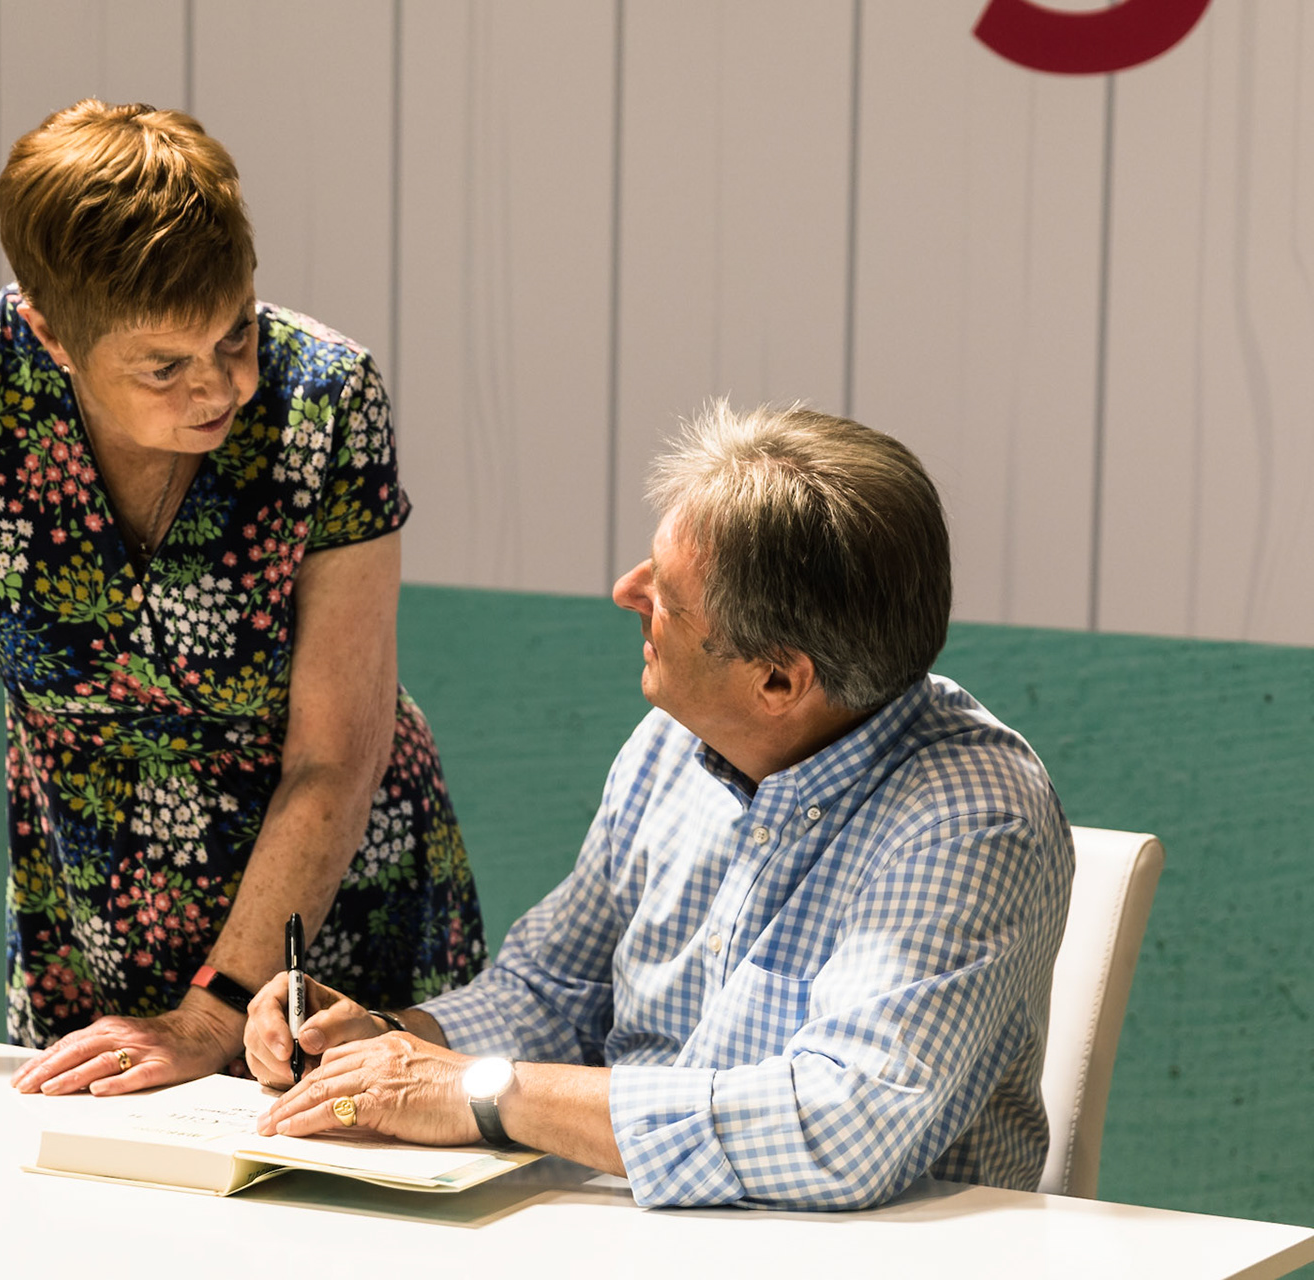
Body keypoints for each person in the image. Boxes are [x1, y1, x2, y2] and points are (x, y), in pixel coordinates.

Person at [0, 100, 485, 1093]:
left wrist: (213, 1013)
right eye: (165, 365)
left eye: (236, 335)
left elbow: (335, 752)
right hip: (94, 919)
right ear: (51, 333)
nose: (219, 388)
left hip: (323, 930)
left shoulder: (327, 398)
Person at [244, 401, 1075, 1210]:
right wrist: (391, 1042)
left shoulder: (972, 818)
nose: (624, 591)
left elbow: (844, 1122)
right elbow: (553, 990)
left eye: (667, 597)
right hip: (632, 1234)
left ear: (778, 681)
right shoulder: (671, 742)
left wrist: (480, 1091)